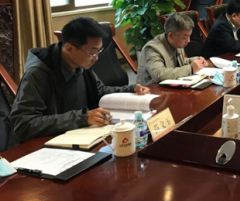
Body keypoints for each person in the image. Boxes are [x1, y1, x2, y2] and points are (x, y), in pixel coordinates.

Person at [11, 17, 150, 143]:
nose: (96, 58)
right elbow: (23, 124)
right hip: (49, 145)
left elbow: (100, 91)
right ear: (69, 48)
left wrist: (131, 89)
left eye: (99, 51)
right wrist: (82, 118)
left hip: (83, 137)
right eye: (92, 52)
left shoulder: (81, 64)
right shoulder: (38, 74)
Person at [137, 13, 208, 84]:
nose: (188, 40)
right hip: (152, 88)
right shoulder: (152, 49)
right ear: (171, 35)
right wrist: (191, 68)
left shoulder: (176, 42)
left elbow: (180, 63)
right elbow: (159, 75)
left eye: (189, 36)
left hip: (172, 86)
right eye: (185, 37)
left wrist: (196, 60)